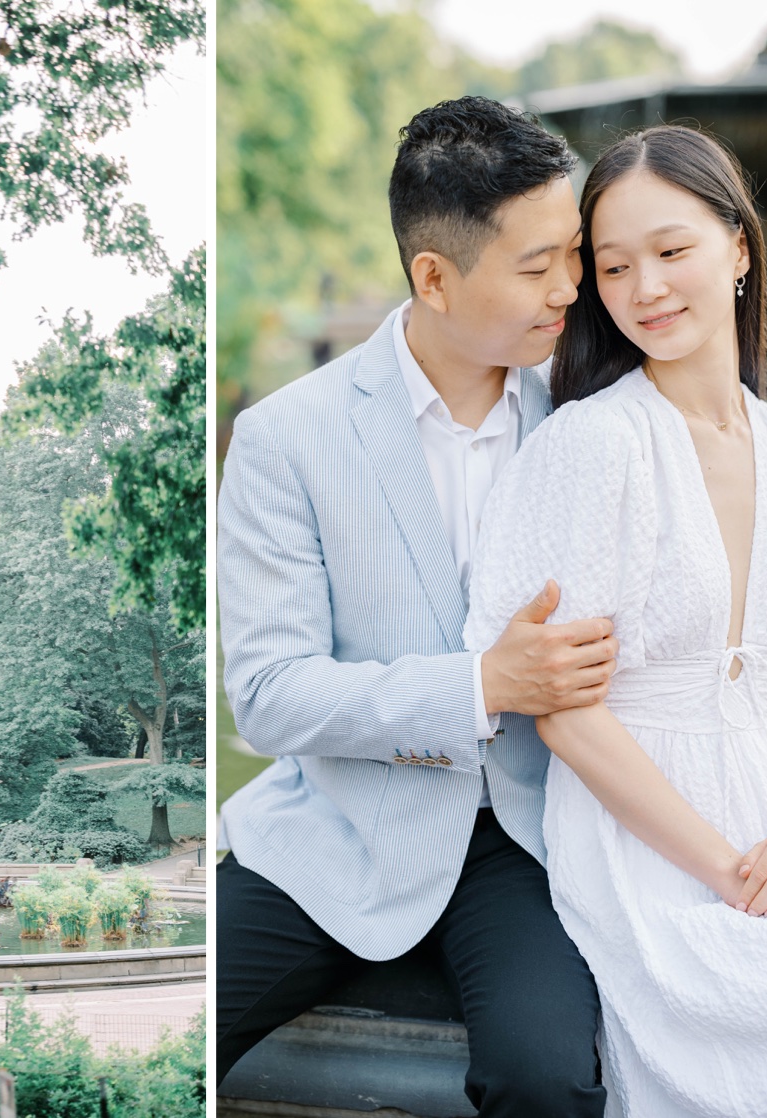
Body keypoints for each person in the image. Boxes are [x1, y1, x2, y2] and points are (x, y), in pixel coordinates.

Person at [462, 124, 767, 1116]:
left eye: (671, 250)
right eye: (613, 265)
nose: (644, 285)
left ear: (739, 247)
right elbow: (567, 713)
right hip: (657, 837)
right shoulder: (592, 449)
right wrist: (737, 876)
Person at [218, 96, 622, 1115]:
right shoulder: (285, 439)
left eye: (572, 254)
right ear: (433, 277)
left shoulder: (595, 416)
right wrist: (479, 684)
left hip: (528, 840)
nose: (572, 288)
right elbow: (267, 695)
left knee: (547, 1078)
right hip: (337, 830)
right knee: (154, 1016)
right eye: (538, 268)